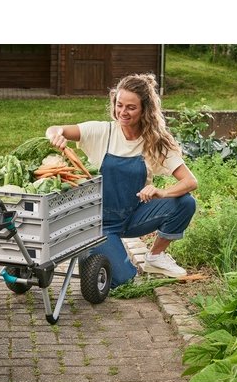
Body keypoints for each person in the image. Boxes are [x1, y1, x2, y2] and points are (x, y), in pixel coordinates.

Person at [45, 73, 197, 287]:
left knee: (185, 202)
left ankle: (155, 257)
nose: (123, 112)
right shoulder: (102, 131)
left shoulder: (154, 142)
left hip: (134, 216)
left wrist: (162, 192)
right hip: (98, 223)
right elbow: (55, 129)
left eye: (131, 107)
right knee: (124, 280)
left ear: (145, 110)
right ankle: (92, 250)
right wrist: (56, 135)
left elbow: (190, 181)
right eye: (119, 105)